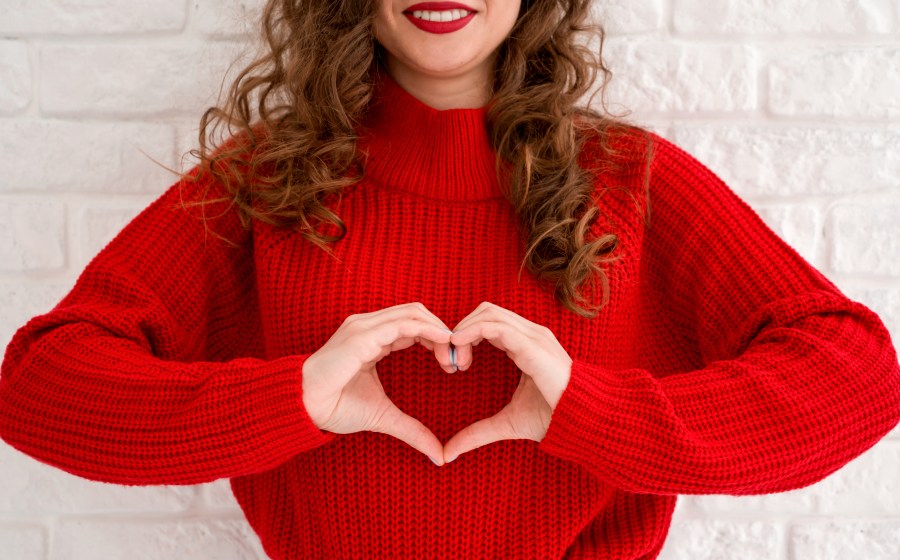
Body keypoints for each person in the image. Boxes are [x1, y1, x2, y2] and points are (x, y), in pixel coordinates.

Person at [1, 0, 899, 558]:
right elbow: (40, 385)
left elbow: (857, 374)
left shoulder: (628, 179)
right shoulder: (268, 181)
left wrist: (594, 415)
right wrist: (294, 397)